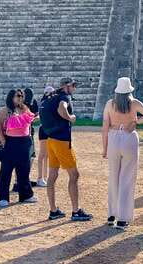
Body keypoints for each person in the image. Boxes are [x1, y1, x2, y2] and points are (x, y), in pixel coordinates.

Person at [101, 77, 143, 230]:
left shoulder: (110, 104)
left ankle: (112, 214)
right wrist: (135, 121)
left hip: (113, 137)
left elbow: (105, 127)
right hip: (129, 137)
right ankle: (123, 218)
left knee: (113, 177)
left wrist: (105, 148)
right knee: (127, 178)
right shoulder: (134, 103)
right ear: (129, 90)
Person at [40, 77, 92, 221]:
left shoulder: (51, 97)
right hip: (62, 141)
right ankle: (76, 211)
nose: (74, 88)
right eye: (73, 85)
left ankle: (53, 210)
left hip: (51, 139)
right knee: (74, 175)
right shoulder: (63, 97)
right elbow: (62, 109)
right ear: (66, 86)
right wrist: (70, 117)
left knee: (52, 175)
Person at [0, 88, 37, 206]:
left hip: (24, 142)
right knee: (6, 171)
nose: (20, 98)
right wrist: (3, 140)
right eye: (17, 96)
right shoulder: (5, 110)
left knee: (24, 170)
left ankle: (26, 195)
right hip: (10, 142)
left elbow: (30, 122)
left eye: (21, 96)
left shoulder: (24, 108)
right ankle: (3, 197)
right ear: (11, 97)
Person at [35, 85, 54, 187]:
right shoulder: (44, 104)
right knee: (42, 154)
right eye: (49, 93)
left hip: (51, 130)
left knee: (47, 155)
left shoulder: (52, 103)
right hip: (44, 129)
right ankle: (39, 177)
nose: (51, 95)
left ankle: (45, 177)